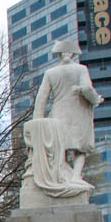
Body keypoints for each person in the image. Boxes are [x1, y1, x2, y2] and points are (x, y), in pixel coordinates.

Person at [22, 40, 103, 199]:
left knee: (60, 148)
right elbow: (87, 89)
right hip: (78, 111)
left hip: (58, 113)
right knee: (80, 148)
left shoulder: (51, 73)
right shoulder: (81, 69)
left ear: (59, 54)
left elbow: (41, 99)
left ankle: (60, 177)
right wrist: (96, 100)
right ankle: (75, 177)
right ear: (72, 53)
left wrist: (37, 123)